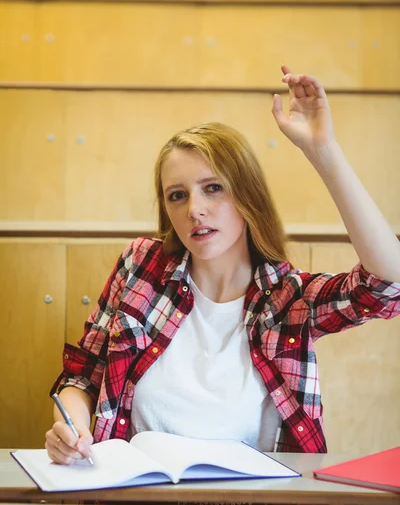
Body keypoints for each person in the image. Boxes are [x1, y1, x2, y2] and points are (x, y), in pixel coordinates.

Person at [45, 64, 400, 465]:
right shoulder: (140, 266)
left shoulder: (286, 299)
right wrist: (71, 431)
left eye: (213, 188)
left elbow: (388, 284)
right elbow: (83, 375)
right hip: (138, 499)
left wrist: (323, 152)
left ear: (248, 196)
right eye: (177, 196)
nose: (195, 210)